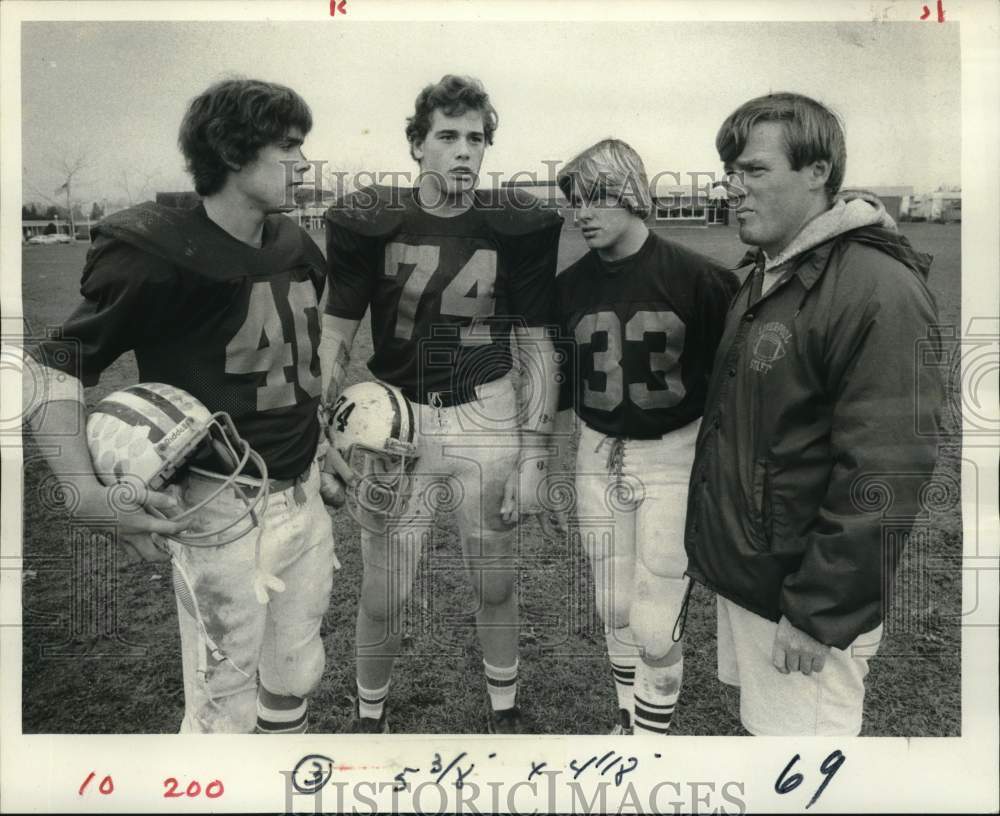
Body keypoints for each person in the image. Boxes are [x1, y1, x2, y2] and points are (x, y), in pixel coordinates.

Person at [23, 78, 338, 734]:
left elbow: (302, 367)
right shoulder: (157, 251)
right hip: (219, 504)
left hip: (303, 492)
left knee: (296, 672)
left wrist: (324, 443)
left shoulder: (294, 244)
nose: (304, 162)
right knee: (223, 704)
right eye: (287, 146)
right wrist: (80, 490)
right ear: (229, 151)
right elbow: (56, 364)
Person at [685, 92, 944, 735]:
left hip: (802, 602)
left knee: (807, 769)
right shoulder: (772, 269)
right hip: (762, 580)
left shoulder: (876, 288)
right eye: (729, 174)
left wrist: (817, 610)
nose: (733, 190)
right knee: (769, 746)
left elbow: (886, 470)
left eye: (753, 171)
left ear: (818, 172)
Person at [321, 74, 563, 733]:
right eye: (447, 136)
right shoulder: (370, 217)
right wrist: (326, 428)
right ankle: (370, 715)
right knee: (384, 588)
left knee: (495, 580)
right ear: (417, 145)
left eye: (476, 138)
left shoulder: (518, 224)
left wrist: (537, 454)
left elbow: (538, 344)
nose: (463, 151)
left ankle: (505, 709)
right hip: (394, 419)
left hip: (486, 415)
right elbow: (335, 331)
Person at [552, 139, 738, 735]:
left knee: (656, 621)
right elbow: (561, 384)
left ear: (633, 195)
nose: (583, 212)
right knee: (613, 605)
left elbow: (727, 389)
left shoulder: (701, 279)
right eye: (576, 200)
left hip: (673, 455)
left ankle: (649, 749)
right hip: (597, 450)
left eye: (598, 197)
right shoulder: (571, 285)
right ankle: (627, 724)